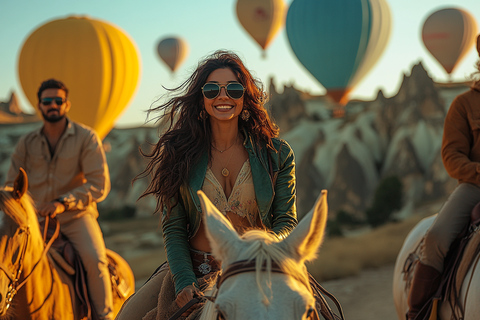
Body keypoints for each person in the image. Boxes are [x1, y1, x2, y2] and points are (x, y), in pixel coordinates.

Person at [116, 50, 297, 319]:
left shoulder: (277, 153)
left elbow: (286, 221)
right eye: (212, 89)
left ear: (245, 99)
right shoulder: (180, 154)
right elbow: (174, 227)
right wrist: (184, 280)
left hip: (258, 267)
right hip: (194, 269)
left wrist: (262, 253)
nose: (223, 96)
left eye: (234, 89)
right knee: (128, 316)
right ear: (201, 99)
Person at [5, 79, 114, 320]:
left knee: (95, 261)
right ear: (39, 105)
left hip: (75, 217)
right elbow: (12, 185)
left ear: (67, 104)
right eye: (47, 101)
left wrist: (63, 202)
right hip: (34, 221)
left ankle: (105, 316)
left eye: (58, 101)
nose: (52, 105)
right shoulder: (26, 143)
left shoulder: (86, 137)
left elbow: (99, 184)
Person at [406, 38, 480, 320]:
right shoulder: (464, 104)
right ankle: (418, 313)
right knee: (437, 238)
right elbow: (452, 156)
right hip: (475, 186)